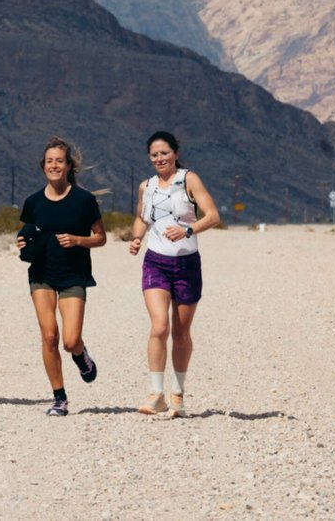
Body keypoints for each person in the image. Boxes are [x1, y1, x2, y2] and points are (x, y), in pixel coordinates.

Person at [128, 131, 220, 418]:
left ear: (175, 153)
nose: (159, 159)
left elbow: (213, 216)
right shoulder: (147, 186)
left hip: (186, 265)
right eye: (154, 155)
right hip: (155, 262)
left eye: (164, 153)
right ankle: (156, 395)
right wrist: (136, 238)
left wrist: (187, 229)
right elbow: (143, 217)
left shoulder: (188, 180)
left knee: (180, 332)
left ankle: (177, 393)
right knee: (159, 327)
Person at [16, 137, 106, 417]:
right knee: (49, 335)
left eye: (59, 161)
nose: (54, 165)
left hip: (73, 275)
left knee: (69, 340)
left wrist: (79, 240)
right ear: (43, 166)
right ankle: (59, 398)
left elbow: (101, 238)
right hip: (41, 273)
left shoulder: (84, 200)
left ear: (68, 166)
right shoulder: (32, 202)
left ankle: (81, 355)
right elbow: (27, 234)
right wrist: (21, 243)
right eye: (49, 161)